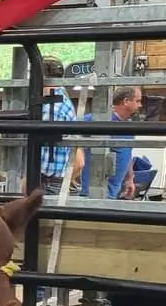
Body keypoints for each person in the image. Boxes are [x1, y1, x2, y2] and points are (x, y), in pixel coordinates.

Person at [79, 86, 141, 199]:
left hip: (112, 192)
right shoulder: (98, 120)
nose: (140, 105)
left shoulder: (129, 126)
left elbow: (127, 153)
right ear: (126, 101)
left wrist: (129, 179)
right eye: (137, 101)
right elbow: (72, 130)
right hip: (94, 192)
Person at [37, 56, 79, 195]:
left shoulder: (52, 107)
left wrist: (30, 178)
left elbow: (45, 152)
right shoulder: (61, 100)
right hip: (53, 182)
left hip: (46, 183)